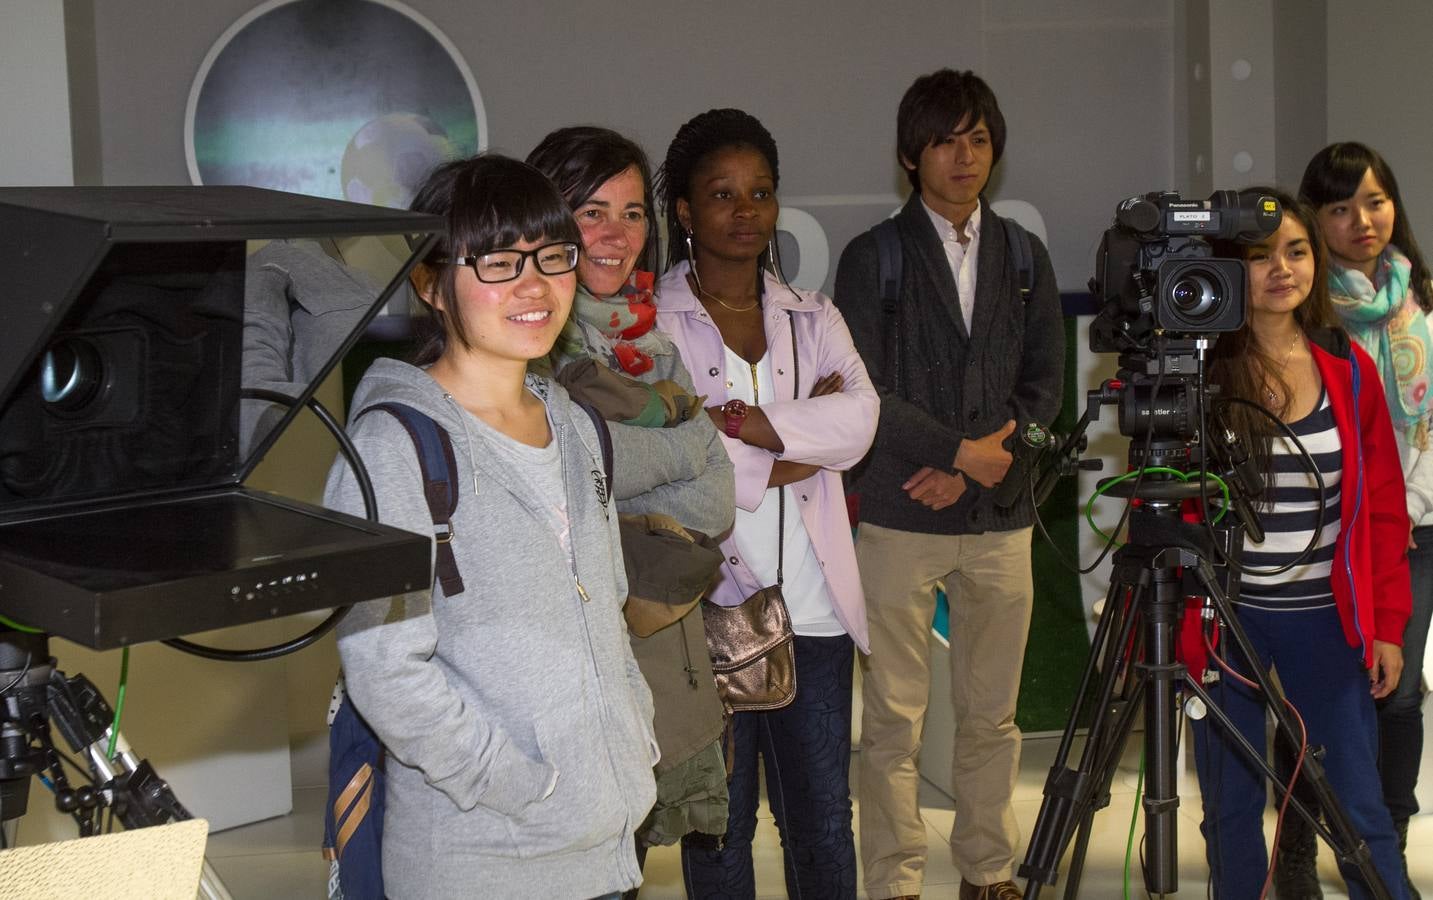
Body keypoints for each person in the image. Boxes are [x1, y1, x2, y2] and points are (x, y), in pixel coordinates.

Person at [323, 154, 657, 900]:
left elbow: (606, 610)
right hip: (481, 861)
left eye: (551, 256)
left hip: (605, 851)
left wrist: (633, 740)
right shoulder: (393, 447)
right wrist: (523, 789)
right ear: (429, 284)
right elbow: (384, 668)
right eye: (499, 263)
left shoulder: (575, 426)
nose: (534, 286)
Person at [832, 69, 1063, 900]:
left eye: (976, 138)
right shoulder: (874, 258)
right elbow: (861, 392)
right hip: (898, 516)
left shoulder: (1024, 255)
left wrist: (976, 466)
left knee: (991, 719)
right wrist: (954, 456)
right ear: (910, 155)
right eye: (943, 139)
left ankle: (987, 872)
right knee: (892, 722)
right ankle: (893, 882)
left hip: (999, 519)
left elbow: (1043, 390)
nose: (962, 156)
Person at [653, 107, 878, 899]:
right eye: (722, 194)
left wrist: (749, 427)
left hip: (813, 612)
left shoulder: (810, 313)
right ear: (684, 210)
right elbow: (674, 457)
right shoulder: (651, 326)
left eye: (760, 193)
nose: (744, 211)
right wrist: (789, 452)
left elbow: (857, 424)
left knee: (821, 823)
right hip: (704, 608)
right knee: (719, 823)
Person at [525, 126, 735, 872]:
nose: (617, 235)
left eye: (631, 212)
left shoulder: (652, 348)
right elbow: (570, 475)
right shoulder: (526, 340)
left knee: (625, 869)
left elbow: (718, 497)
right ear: (544, 221)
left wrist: (626, 481)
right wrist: (678, 451)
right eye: (591, 213)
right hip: (563, 665)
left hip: (650, 648)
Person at [1193, 188, 1411, 900]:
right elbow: (1165, 505)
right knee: (1228, 811)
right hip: (1227, 620)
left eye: (1295, 250)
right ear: (1230, 271)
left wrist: (1384, 626)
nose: (1281, 269)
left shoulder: (1348, 370)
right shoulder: (1201, 375)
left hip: (1324, 617)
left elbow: (1381, 510)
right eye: (1259, 256)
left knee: (1358, 805)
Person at [1291, 143, 1431, 900]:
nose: (1360, 220)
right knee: (1319, 692)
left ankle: (1384, 846)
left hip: (1414, 522)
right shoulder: (1306, 314)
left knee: (1397, 691)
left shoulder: (1423, 298)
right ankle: (1295, 846)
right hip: (1328, 526)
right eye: (1339, 207)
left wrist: (1404, 505)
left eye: (1373, 201)